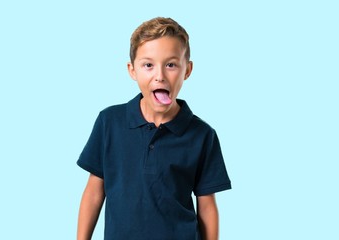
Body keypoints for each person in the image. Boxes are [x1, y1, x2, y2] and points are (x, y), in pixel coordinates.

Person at [77, 17, 231, 240]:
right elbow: (93, 192)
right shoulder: (108, 122)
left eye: (171, 65)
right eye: (148, 65)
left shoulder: (203, 135)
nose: (159, 75)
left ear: (187, 70)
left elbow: (207, 205)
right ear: (132, 70)